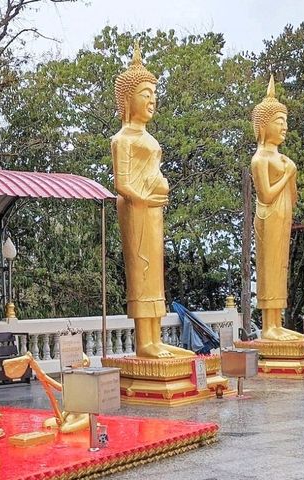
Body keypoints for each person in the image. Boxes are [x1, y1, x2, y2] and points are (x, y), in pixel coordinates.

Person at [112, 42, 193, 358]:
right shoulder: (122, 140)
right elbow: (122, 183)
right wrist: (145, 197)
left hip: (154, 210)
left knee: (155, 273)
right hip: (136, 209)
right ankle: (144, 342)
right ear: (128, 99)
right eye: (145, 93)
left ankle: (155, 337)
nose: (152, 99)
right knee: (141, 272)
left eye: (153, 93)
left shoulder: (149, 138)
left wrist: (157, 194)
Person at [250, 75, 302, 341]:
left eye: (285, 122)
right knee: (269, 268)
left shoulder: (283, 158)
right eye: (278, 122)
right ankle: (268, 326)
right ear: (263, 126)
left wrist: (290, 174)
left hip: (283, 216)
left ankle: (278, 323)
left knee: (280, 267)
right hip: (268, 216)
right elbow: (267, 195)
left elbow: (291, 198)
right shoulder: (260, 159)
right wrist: (287, 173)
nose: (284, 127)